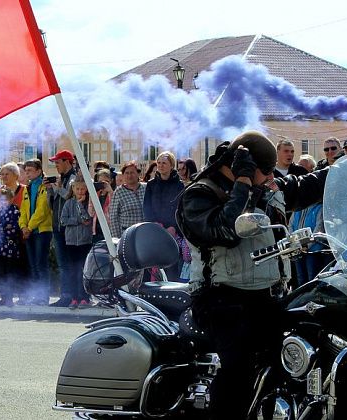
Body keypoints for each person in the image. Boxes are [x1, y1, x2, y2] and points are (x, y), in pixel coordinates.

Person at [178, 131, 327, 419]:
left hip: (266, 295)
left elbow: (305, 185)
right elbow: (226, 231)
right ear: (241, 166)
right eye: (266, 171)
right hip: (220, 298)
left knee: (296, 356)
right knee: (239, 370)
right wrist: (244, 182)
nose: (272, 178)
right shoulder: (200, 194)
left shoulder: (264, 189)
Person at [143, 151, 185, 281]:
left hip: (173, 231)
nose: (160, 166)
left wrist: (174, 227)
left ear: (171, 165)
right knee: (153, 263)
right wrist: (154, 224)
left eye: (164, 163)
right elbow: (147, 207)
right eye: (159, 163)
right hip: (155, 229)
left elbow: (181, 208)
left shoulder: (179, 185)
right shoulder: (151, 184)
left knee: (171, 265)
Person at [47, 150, 79, 307]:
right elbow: (52, 204)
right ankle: (66, 295)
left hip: (69, 227)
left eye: (58, 162)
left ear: (67, 161)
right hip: (58, 227)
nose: (56, 165)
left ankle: (71, 296)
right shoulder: (62, 179)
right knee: (63, 264)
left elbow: (68, 195)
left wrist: (57, 188)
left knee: (69, 264)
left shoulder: (74, 178)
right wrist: (50, 190)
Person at [18, 159, 52, 305]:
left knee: (41, 264)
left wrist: (29, 227)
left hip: (42, 230)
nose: (27, 173)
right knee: (33, 265)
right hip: (29, 231)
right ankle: (36, 294)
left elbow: (42, 210)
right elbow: (23, 210)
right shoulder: (27, 188)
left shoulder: (44, 187)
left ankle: (43, 296)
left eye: (30, 170)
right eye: (26, 171)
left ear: (39, 171)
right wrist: (23, 227)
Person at [60, 180, 93, 309]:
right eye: (77, 189)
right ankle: (74, 298)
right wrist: (77, 221)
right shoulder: (68, 203)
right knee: (73, 271)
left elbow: (87, 220)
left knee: (84, 271)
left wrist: (80, 206)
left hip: (85, 241)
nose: (80, 192)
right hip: (71, 242)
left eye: (82, 189)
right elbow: (63, 220)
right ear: (73, 189)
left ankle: (85, 297)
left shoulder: (88, 203)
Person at [0, 186, 22, 307]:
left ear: (11, 199)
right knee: (1, 273)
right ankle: (3, 297)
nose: (3, 202)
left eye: (6, 199)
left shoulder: (14, 210)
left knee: (9, 272)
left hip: (10, 248)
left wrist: (2, 228)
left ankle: (9, 298)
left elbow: (14, 228)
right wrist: (4, 227)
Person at [108, 161, 146, 238]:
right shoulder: (119, 192)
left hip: (146, 233)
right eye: (126, 173)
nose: (129, 175)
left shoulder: (146, 188)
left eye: (132, 172)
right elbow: (113, 218)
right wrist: (116, 239)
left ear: (138, 174)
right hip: (127, 235)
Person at [87, 169, 114, 242]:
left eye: (106, 182)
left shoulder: (114, 194)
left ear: (111, 181)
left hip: (110, 230)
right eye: (100, 182)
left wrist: (111, 192)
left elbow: (114, 209)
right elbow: (91, 213)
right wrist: (91, 196)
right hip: (97, 230)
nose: (103, 184)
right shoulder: (95, 195)